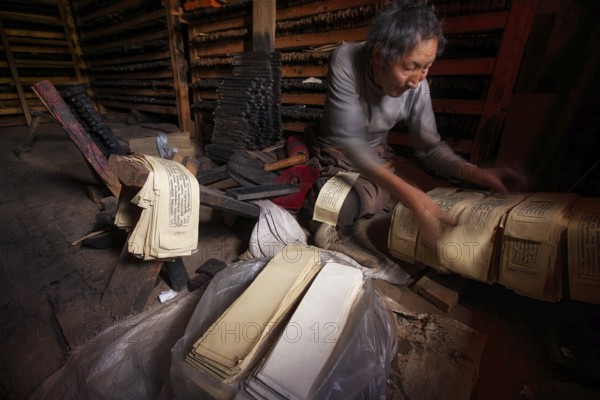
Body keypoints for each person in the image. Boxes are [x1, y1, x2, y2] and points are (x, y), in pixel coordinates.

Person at [306, 0, 525, 254]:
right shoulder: (346, 58)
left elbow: (430, 148)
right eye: (409, 67)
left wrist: (474, 173)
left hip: (378, 159)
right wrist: (412, 196)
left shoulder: (419, 85)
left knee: (416, 201)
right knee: (342, 204)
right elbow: (351, 142)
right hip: (337, 152)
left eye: (427, 66)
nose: (417, 80)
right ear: (378, 56)